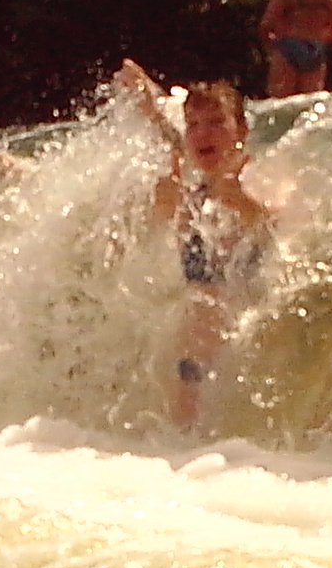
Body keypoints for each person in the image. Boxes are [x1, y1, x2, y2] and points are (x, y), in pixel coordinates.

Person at [115, 61, 273, 429]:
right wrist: (151, 107)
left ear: (241, 131)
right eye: (194, 125)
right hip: (195, 351)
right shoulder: (193, 193)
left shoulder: (258, 179)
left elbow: (278, 227)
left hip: (243, 340)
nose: (204, 134)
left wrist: (243, 203)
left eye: (217, 122)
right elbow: (178, 145)